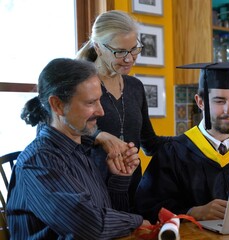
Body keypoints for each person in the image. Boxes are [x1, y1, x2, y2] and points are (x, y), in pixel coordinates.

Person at [7, 58, 150, 239]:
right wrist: (137, 221)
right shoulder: (39, 161)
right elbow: (90, 227)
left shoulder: (79, 149)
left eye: (99, 101)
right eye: (90, 103)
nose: (101, 111)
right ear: (57, 105)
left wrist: (119, 179)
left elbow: (108, 219)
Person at [135, 62, 229, 223]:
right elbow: (147, 207)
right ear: (200, 102)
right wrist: (193, 212)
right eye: (219, 101)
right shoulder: (174, 153)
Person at [75, 10, 170, 210]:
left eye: (134, 49)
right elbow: (59, 135)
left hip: (132, 192)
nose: (129, 59)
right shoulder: (80, 84)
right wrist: (99, 136)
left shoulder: (135, 86)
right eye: (120, 52)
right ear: (98, 48)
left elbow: (150, 144)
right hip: (89, 194)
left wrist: (196, 139)